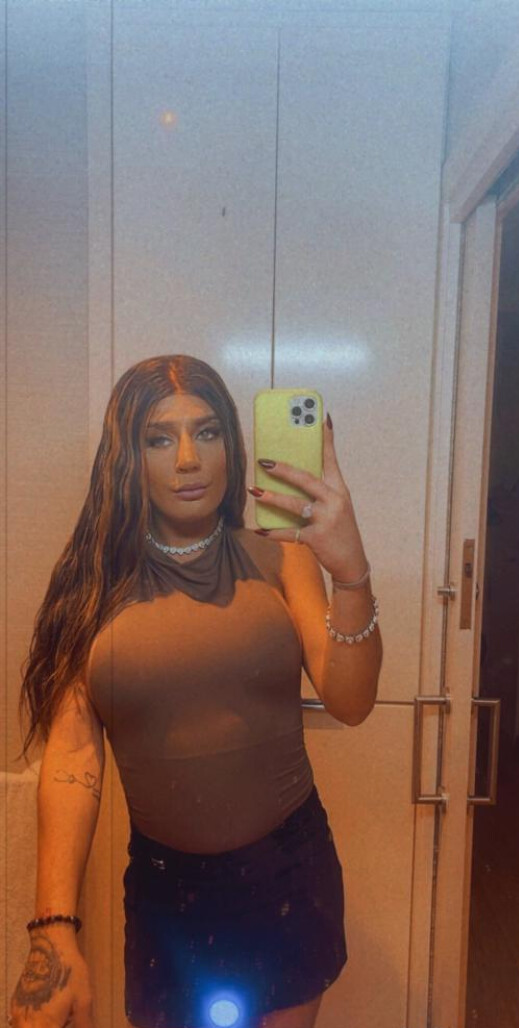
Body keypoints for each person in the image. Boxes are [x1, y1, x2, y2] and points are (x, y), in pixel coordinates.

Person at [10, 354, 383, 1028]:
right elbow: (71, 758)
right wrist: (53, 929)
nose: (188, 459)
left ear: (232, 445)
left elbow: (350, 701)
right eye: (159, 438)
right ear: (127, 456)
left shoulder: (282, 554)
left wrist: (351, 573)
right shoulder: (92, 584)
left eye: (207, 432)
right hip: (168, 893)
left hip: (289, 875)